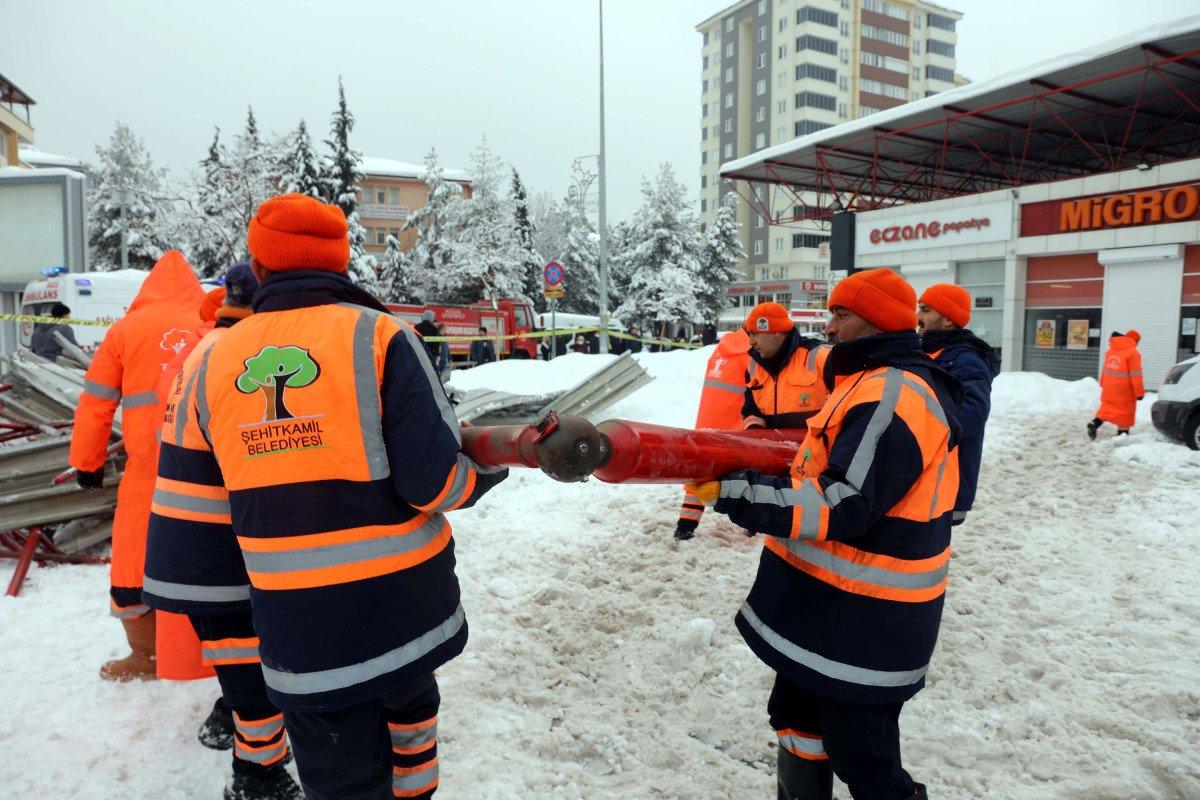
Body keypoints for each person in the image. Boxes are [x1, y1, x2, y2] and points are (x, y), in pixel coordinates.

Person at [158, 193, 508, 799]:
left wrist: (222, 621)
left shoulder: (210, 361)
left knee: (343, 779)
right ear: (342, 264)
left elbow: (197, 515)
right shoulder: (381, 336)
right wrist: (480, 476)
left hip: (302, 630)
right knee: (413, 739)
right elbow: (435, 482)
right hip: (406, 610)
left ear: (260, 268)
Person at [693, 268, 961, 800]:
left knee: (863, 756)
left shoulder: (893, 395)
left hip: (868, 618)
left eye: (842, 315)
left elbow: (842, 503)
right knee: (796, 721)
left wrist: (738, 493)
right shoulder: (863, 381)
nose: (830, 327)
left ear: (876, 321)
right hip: (830, 610)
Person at [145, 264, 301, 800]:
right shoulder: (245, 362)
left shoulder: (204, 347)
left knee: (233, 650)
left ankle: (226, 716)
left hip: (188, 540)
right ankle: (258, 775)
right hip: (220, 545)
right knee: (248, 660)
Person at [69, 250, 204, 681]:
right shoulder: (211, 324)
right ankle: (217, 650)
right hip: (209, 468)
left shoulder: (126, 330)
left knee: (132, 559)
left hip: (149, 469)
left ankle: (146, 653)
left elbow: (95, 401)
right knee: (212, 559)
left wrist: (86, 462)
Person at [918, 284, 1001, 526]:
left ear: (948, 320)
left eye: (925, 310)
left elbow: (973, 413)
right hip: (921, 475)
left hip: (946, 481)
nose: (918, 317)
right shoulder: (923, 351)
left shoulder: (967, 358)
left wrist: (919, 431)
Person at [675, 328, 751, 541]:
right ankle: (752, 524)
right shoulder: (751, 355)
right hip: (734, 428)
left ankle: (685, 527)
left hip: (706, 424)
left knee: (700, 475)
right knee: (747, 477)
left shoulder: (722, 350)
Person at [740, 302, 831, 431]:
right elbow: (751, 410)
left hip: (815, 450)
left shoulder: (820, 357)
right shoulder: (753, 368)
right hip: (771, 449)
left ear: (776, 332)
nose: (751, 341)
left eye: (755, 334)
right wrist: (755, 432)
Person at [1089, 329, 1144, 438]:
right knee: (1125, 413)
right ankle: (1122, 436)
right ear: (1135, 341)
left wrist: (1103, 383)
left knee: (1107, 408)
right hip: (1124, 390)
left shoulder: (1111, 351)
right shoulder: (1133, 353)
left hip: (1109, 387)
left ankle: (1094, 424)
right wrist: (1139, 393)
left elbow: (1105, 369)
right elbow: (1136, 375)